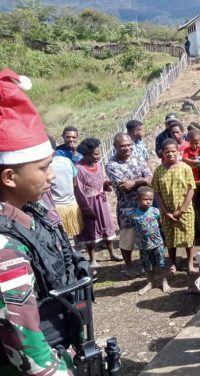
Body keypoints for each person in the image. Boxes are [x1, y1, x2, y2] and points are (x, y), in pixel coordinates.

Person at [0, 69, 75, 375]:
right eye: (43, 168)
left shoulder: (31, 213)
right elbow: (27, 346)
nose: (52, 175)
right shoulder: (5, 250)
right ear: (10, 177)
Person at [105, 132, 152, 277]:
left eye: (128, 145)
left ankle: (146, 263)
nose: (126, 148)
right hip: (127, 208)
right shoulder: (111, 165)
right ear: (115, 147)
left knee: (146, 236)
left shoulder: (138, 159)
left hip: (145, 206)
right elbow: (123, 187)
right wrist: (142, 180)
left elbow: (150, 178)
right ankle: (129, 265)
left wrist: (135, 182)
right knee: (127, 239)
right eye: (122, 146)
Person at [152, 138, 198, 274]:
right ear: (162, 153)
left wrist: (182, 209)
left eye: (173, 151)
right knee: (170, 239)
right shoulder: (159, 170)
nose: (170, 154)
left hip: (185, 211)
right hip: (167, 212)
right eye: (167, 152)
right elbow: (157, 192)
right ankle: (172, 263)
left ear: (178, 152)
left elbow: (191, 189)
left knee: (189, 238)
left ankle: (190, 264)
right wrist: (165, 212)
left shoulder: (186, 168)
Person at [75, 138, 120, 268]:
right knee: (90, 230)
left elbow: (100, 181)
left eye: (98, 153)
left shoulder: (98, 165)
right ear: (86, 154)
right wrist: (86, 208)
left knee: (106, 227)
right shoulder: (79, 169)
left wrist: (106, 184)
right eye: (95, 154)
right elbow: (78, 190)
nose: (98, 156)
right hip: (89, 203)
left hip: (101, 201)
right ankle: (93, 259)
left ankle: (112, 252)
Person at [131, 186, 172, 295]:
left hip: (157, 243)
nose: (149, 201)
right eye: (145, 199)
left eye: (151, 199)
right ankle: (150, 282)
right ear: (138, 199)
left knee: (161, 263)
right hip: (144, 245)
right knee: (147, 265)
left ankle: (164, 281)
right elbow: (134, 229)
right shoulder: (134, 214)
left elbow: (160, 225)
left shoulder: (155, 211)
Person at [49, 135, 83, 239]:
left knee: (63, 238)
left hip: (56, 208)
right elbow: (75, 182)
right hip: (72, 205)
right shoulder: (67, 161)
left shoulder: (46, 165)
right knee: (74, 235)